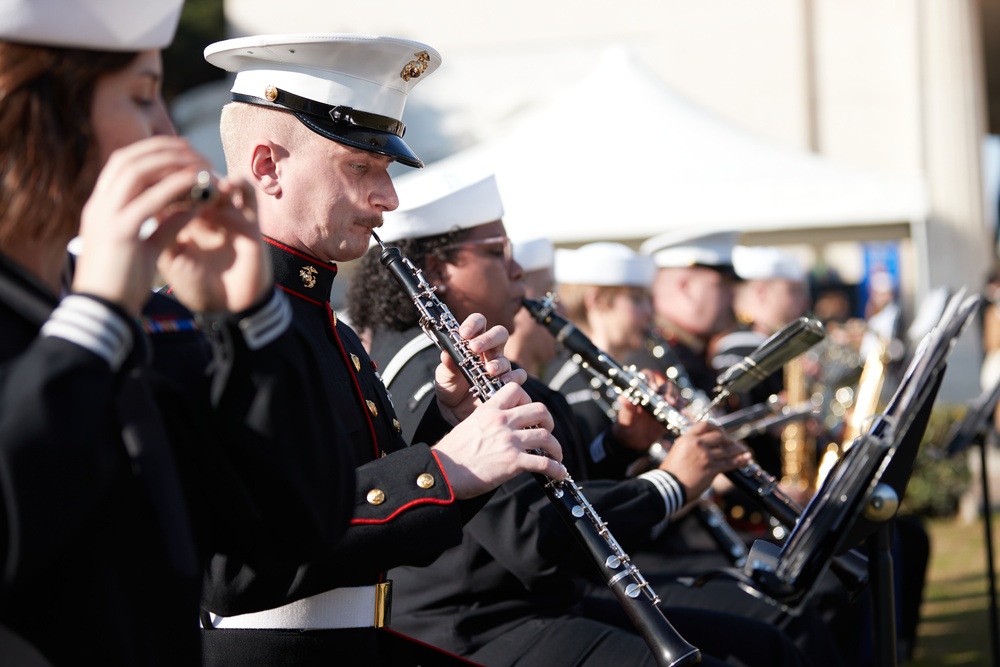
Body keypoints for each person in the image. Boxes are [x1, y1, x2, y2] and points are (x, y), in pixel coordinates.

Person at [345, 169, 822, 667]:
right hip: (474, 625)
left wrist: (620, 446)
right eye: (494, 253)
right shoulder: (431, 367)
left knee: (767, 642)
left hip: (529, 605)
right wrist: (670, 484)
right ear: (436, 270)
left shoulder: (454, 353)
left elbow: (549, 500)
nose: (516, 272)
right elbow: (531, 537)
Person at [0, 2, 354, 665]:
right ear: (43, 113)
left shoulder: (132, 309)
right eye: (141, 97)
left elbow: (303, 519)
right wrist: (94, 321)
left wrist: (251, 317)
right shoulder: (102, 310)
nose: (165, 129)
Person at [205, 34, 565, 666]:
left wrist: (453, 424)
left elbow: (369, 510)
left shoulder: (328, 326)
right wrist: (445, 470)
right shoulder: (208, 322)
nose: (389, 199)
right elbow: (229, 563)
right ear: (267, 166)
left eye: (387, 170)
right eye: (359, 167)